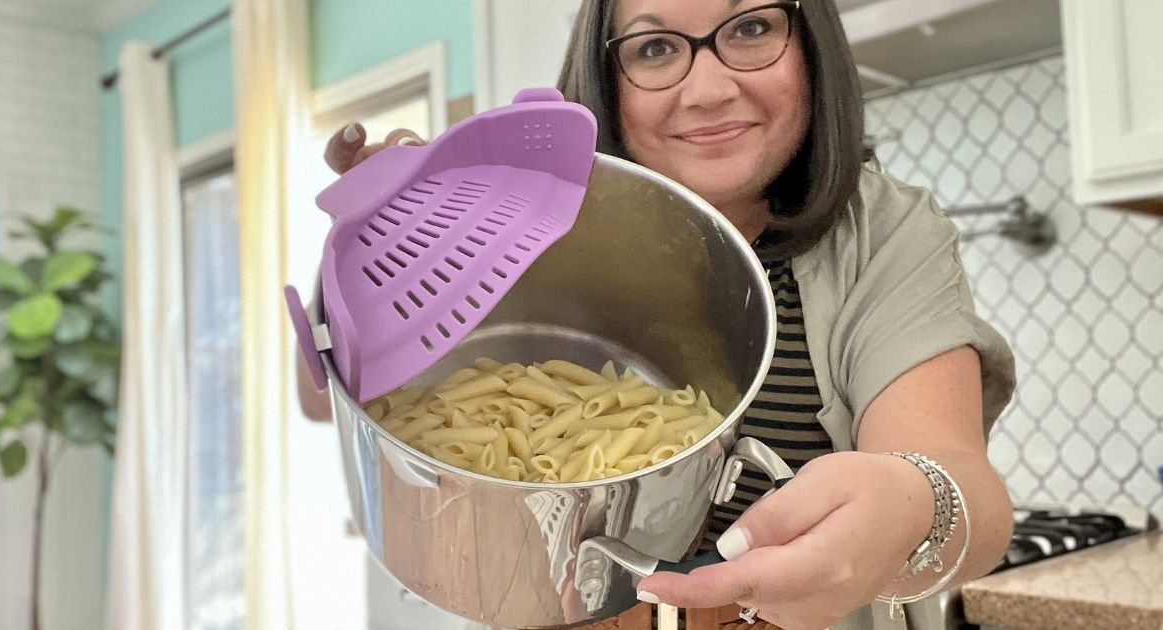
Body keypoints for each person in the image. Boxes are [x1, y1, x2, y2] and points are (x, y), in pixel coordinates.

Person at [299, 1, 1017, 629]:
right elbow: (331, 399)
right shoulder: (516, 214)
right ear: (606, 76)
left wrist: (916, 502)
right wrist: (366, 258)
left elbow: (965, 489)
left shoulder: (884, 234)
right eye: (654, 47)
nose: (708, 89)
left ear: (811, 42)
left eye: (752, 28)